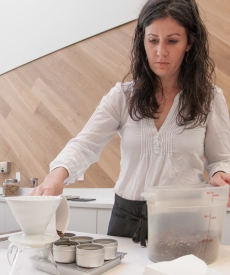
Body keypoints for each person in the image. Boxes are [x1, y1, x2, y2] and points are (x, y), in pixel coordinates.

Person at [29, 0, 230, 247]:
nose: (160, 52)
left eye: (172, 41)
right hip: (126, 219)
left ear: (189, 43)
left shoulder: (209, 98)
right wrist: (55, 176)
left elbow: (221, 159)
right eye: (153, 40)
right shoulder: (123, 96)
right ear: (142, 40)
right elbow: (85, 145)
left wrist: (221, 173)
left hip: (185, 219)